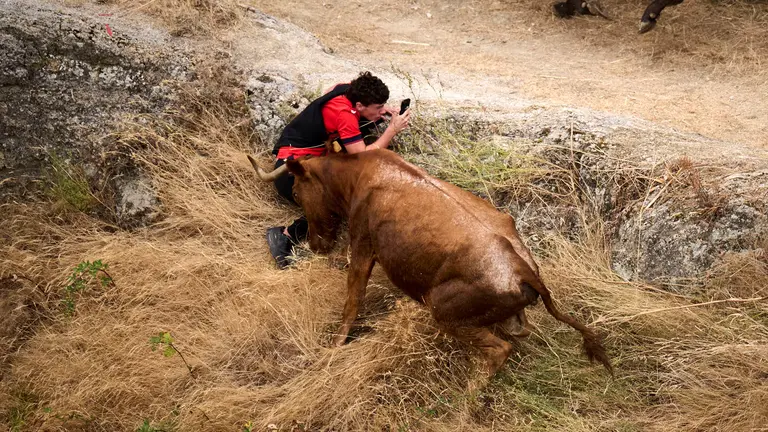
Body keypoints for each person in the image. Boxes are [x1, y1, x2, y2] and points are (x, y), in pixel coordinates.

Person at [266, 71, 411, 268]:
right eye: (377, 107)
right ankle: (287, 234)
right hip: (291, 175)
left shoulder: (347, 89)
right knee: (343, 203)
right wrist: (391, 130)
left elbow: (331, 89)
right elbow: (362, 155)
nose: (380, 111)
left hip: (298, 159)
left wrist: (381, 110)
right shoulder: (346, 115)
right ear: (359, 105)